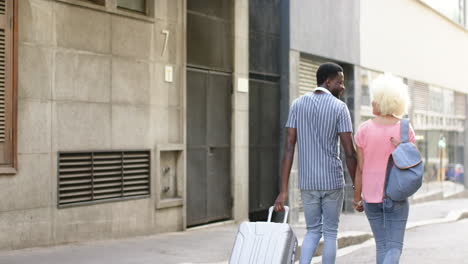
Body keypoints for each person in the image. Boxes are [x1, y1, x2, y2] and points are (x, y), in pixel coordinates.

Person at [274, 62, 357, 264]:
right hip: (332, 181)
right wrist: (357, 186)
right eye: (340, 82)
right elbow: (349, 152)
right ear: (328, 82)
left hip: (308, 182)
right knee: (330, 233)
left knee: (312, 231)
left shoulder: (297, 104)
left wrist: (283, 191)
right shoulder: (340, 108)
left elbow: (288, 148)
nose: (343, 87)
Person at [353, 74, 415, 264]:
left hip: (371, 198)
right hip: (396, 195)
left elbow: (360, 169)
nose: (372, 101)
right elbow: (413, 164)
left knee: (382, 245)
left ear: (383, 101)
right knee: (394, 247)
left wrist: (356, 198)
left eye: (375, 98)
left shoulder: (364, 129)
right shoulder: (405, 129)